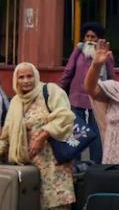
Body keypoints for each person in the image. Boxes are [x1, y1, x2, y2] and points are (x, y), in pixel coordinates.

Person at [0, 63, 76, 210]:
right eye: (21, 77)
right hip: (28, 169)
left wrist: (42, 136)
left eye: (29, 76)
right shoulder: (16, 102)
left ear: (36, 76)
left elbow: (65, 117)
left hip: (54, 165)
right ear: (16, 80)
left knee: (56, 205)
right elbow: (6, 135)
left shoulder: (51, 91)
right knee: (29, 204)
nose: (26, 80)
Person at [58, 21, 116, 163]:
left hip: (97, 101)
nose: (89, 40)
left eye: (93, 37)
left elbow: (111, 77)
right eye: (87, 36)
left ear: (99, 39)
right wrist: (57, 91)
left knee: (96, 135)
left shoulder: (106, 55)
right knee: (76, 134)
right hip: (76, 100)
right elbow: (68, 71)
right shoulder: (78, 51)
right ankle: (75, 165)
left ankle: (96, 167)